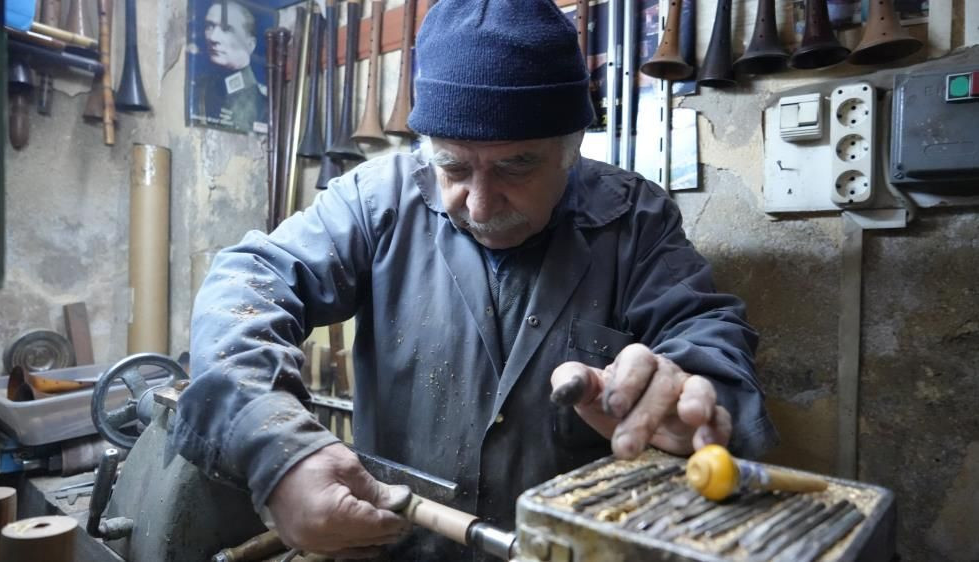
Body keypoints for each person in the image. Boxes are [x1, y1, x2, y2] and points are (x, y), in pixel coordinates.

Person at [172, 0, 778, 559]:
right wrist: (276, 451)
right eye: (454, 166)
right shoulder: (376, 198)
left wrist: (697, 402)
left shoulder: (635, 220)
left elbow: (707, 332)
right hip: (400, 549)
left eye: (517, 164)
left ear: (571, 149)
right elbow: (248, 284)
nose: (481, 205)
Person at [190, 0, 267, 133]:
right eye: (209, 26)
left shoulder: (263, 103)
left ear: (250, 45)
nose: (213, 38)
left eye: (227, 29)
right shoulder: (198, 88)